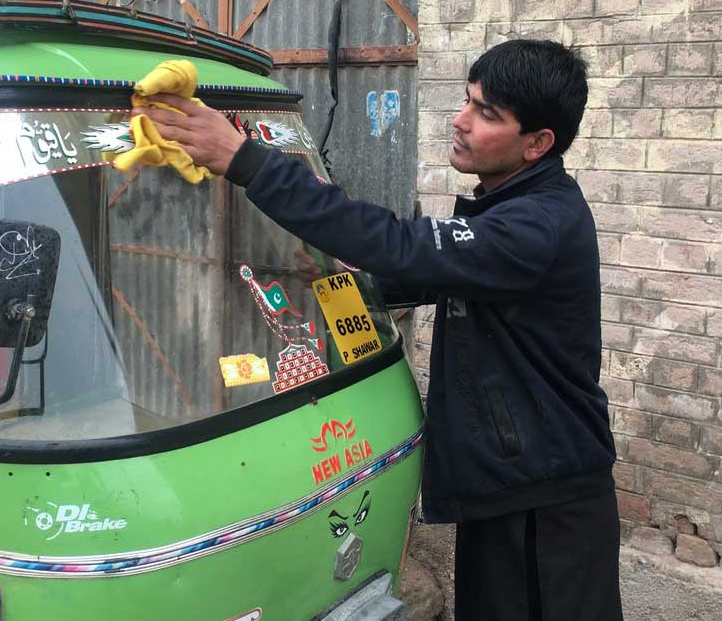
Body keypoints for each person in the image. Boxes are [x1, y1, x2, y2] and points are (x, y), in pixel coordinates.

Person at [136, 39, 622, 621]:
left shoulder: (538, 224)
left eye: (487, 115)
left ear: (538, 143)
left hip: (548, 500)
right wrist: (327, 291)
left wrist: (245, 160)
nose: (461, 123)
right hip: (513, 482)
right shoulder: (511, 208)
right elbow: (425, 273)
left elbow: (402, 245)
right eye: (467, 102)